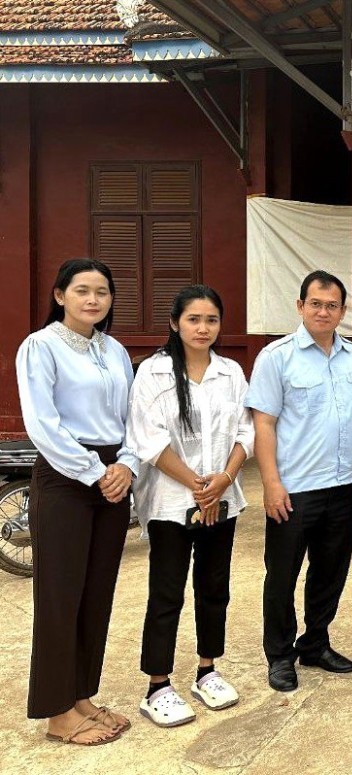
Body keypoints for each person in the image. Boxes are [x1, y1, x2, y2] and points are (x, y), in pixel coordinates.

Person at [16, 258, 139, 745]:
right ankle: (56, 712)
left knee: (96, 592)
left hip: (114, 475)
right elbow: (42, 423)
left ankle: (81, 695)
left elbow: (133, 417)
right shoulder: (40, 346)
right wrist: (94, 472)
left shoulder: (114, 350)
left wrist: (127, 464)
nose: (93, 299)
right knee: (60, 595)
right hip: (66, 475)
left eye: (102, 292)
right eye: (82, 290)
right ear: (60, 295)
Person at [125, 286, 252, 727]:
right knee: (167, 591)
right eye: (194, 319)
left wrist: (224, 480)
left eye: (211, 320)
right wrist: (199, 487)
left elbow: (246, 431)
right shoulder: (153, 372)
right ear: (175, 323)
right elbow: (148, 439)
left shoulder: (231, 372)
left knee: (214, 587)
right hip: (171, 501)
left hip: (222, 497)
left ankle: (207, 670)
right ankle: (157, 685)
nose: (203, 328)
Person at [246, 270, 352, 692]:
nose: (323, 311)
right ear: (300, 306)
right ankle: (280, 655)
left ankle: (316, 643)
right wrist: (271, 483)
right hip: (294, 488)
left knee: (330, 571)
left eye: (332, 305)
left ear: (343, 311)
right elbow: (263, 423)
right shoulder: (276, 357)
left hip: (341, 484)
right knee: (282, 576)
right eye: (315, 304)